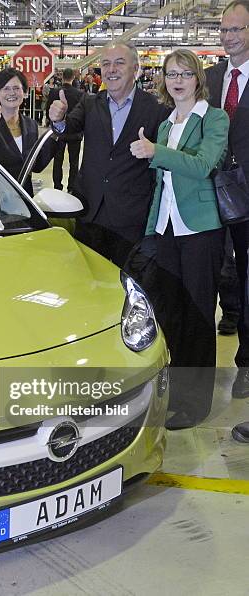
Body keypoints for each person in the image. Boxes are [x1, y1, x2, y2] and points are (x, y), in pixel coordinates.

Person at [130, 49, 229, 429]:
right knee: (171, 312)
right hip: (167, 229)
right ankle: (176, 391)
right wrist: (152, 228)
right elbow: (162, 184)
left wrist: (158, 152)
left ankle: (197, 402)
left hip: (201, 230)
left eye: (185, 73)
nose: (177, 80)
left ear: (197, 79)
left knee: (200, 314)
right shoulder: (166, 123)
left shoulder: (213, 118)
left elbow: (202, 165)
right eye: (171, 74)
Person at [48, 42, 170, 268]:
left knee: (128, 287)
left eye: (119, 63)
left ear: (136, 69)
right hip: (90, 212)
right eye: (106, 64)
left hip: (131, 217)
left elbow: (165, 157)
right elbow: (70, 128)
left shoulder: (156, 108)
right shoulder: (90, 102)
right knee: (89, 284)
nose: (111, 69)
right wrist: (59, 120)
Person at [204, 0, 249, 412]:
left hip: (248, 196)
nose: (229, 37)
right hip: (209, 192)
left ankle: (246, 361)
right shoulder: (210, 77)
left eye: (236, 29)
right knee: (210, 267)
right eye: (224, 30)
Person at [0, 68, 57, 195]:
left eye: (16, 88)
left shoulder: (31, 125)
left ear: (24, 92)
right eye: (6, 88)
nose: (12, 93)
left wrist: (57, 127)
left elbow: (37, 164)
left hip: (22, 198)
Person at [46, 68, 83, 194]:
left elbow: (48, 112)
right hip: (75, 134)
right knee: (74, 162)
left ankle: (57, 186)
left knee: (58, 160)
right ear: (73, 77)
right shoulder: (79, 94)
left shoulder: (54, 92)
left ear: (62, 77)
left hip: (58, 134)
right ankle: (72, 187)